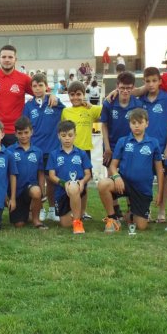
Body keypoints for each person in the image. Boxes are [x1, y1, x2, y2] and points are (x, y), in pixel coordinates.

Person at [0, 45, 55, 146]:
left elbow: (40, 92)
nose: (7, 60)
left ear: (15, 59)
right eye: (4, 57)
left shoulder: (24, 79)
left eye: (10, 57)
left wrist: (51, 95)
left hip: (17, 131)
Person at [97, 108, 164, 233]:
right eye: (133, 123)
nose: (137, 126)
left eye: (140, 122)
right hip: (124, 183)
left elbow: (160, 170)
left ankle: (131, 215)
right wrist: (116, 177)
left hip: (142, 188)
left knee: (141, 226)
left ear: (147, 123)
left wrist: (160, 193)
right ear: (129, 124)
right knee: (103, 184)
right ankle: (112, 218)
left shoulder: (153, 143)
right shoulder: (123, 141)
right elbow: (113, 165)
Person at [22, 73, 65, 223]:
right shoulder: (28, 106)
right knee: (36, 181)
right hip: (35, 150)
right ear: (31, 88)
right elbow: (25, 127)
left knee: (51, 181)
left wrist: (54, 96)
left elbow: (67, 114)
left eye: (40, 85)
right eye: (34, 86)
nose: (37, 88)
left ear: (46, 87)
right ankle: (39, 209)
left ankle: (53, 210)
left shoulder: (55, 102)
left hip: (52, 149)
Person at [140, 67, 167, 223]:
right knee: (146, 179)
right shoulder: (140, 101)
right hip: (145, 147)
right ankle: (146, 210)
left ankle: (162, 211)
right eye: (148, 81)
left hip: (162, 147)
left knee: (163, 178)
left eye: (154, 81)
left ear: (160, 82)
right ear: (144, 82)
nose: (151, 84)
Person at [61, 81, 101, 220]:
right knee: (69, 180)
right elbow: (62, 130)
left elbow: (106, 109)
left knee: (84, 182)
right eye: (72, 95)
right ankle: (70, 210)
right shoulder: (66, 111)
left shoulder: (90, 109)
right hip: (68, 151)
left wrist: (90, 105)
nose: (75, 97)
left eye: (79, 94)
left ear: (84, 95)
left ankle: (83, 212)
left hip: (84, 152)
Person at [46, 120, 92, 234]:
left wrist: (82, 182)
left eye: (70, 135)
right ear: (58, 136)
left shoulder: (81, 153)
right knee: (65, 224)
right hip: (61, 191)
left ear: (75, 135)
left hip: (78, 188)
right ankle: (75, 213)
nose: (67, 138)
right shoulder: (54, 154)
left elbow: (88, 174)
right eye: (64, 135)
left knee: (73, 186)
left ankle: (77, 222)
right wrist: (63, 183)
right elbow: (51, 176)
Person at [7, 117, 46, 229]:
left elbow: (41, 173)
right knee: (19, 224)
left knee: (36, 191)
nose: (23, 136)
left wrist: (42, 191)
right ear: (15, 134)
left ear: (31, 132)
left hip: (31, 187)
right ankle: (27, 212)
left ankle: (36, 220)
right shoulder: (9, 150)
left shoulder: (38, 151)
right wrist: (8, 196)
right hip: (16, 192)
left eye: (26, 132)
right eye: (20, 133)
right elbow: (6, 174)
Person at [101, 71, 143, 168]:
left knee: (129, 177)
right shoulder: (108, 103)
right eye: (122, 88)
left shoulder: (138, 105)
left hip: (131, 145)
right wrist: (107, 147)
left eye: (128, 88)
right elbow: (104, 125)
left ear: (133, 87)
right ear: (117, 86)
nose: (125, 91)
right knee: (111, 179)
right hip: (111, 146)